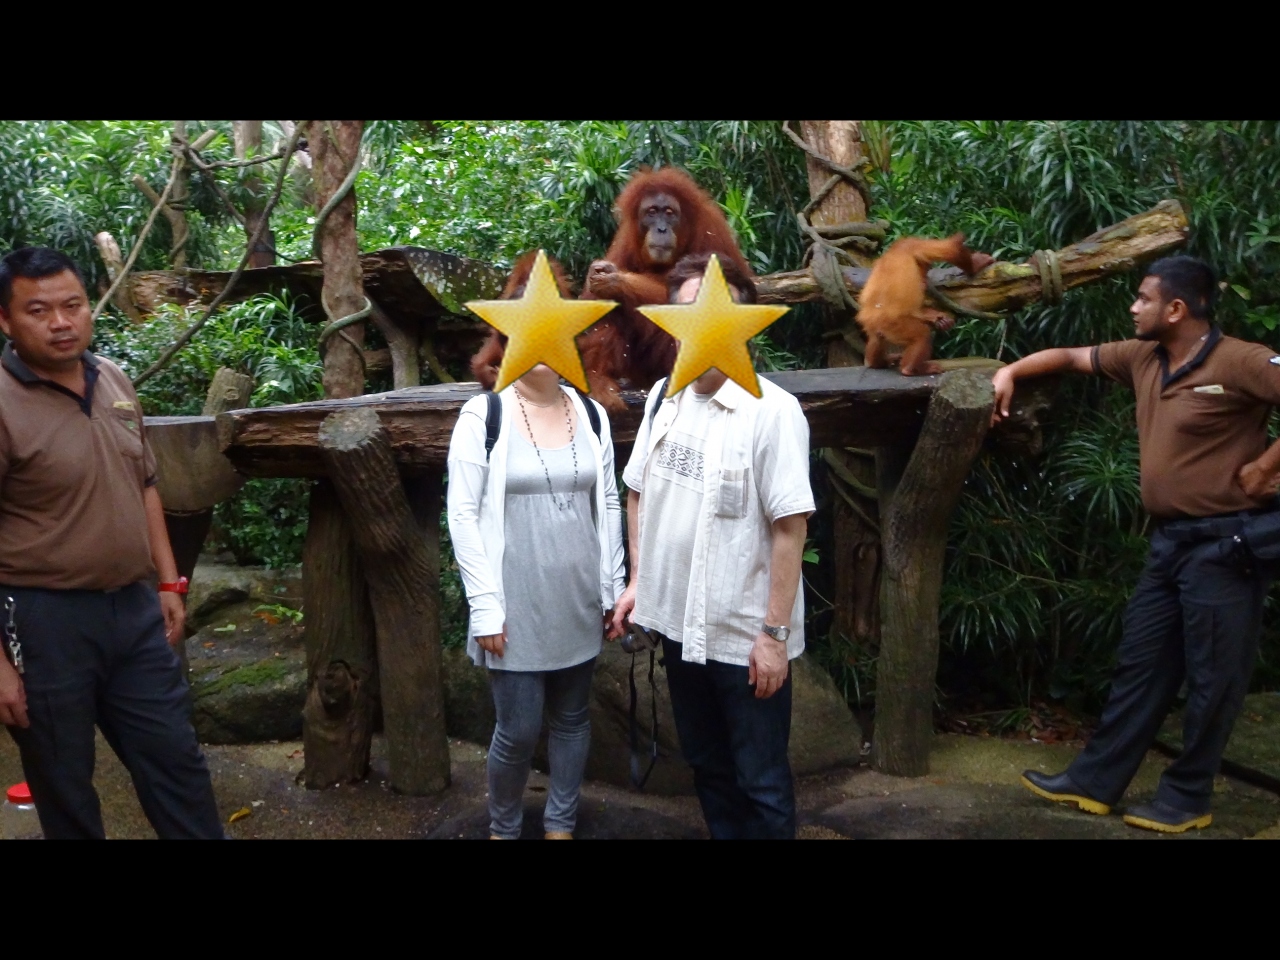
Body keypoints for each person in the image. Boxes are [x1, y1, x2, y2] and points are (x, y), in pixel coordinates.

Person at [995, 255, 1280, 833]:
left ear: (1175, 309)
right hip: (1169, 544)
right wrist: (1011, 372)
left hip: (1225, 545)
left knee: (1213, 678)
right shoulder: (1143, 357)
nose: (1133, 307)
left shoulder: (1241, 360)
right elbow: (1071, 357)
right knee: (1140, 665)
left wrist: (1266, 468)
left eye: (1143, 298)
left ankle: (1187, 798)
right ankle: (1095, 782)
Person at [0, 247, 223, 839]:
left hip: (133, 609)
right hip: (43, 619)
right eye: (39, 311)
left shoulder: (113, 379)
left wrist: (169, 580)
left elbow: (144, 482)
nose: (61, 322)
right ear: (5, 320)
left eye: (73, 305)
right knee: (64, 782)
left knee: (176, 762)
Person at [611, 253, 815, 840]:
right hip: (678, 628)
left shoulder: (773, 412)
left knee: (762, 780)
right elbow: (637, 492)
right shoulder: (663, 398)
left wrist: (774, 637)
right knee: (707, 767)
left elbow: (790, 528)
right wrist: (639, 581)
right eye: (686, 312)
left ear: (743, 322)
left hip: (745, 638)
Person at [446, 361, 625, 840]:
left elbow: (608, 499)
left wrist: (612, 587)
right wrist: (485, 607)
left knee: (572, 719)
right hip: (513, 605)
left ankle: (560, 825)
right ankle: (503, 829)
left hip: (579, 597)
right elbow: (462, 514)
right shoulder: (484, 415)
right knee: (518, 730)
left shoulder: (590, 413)